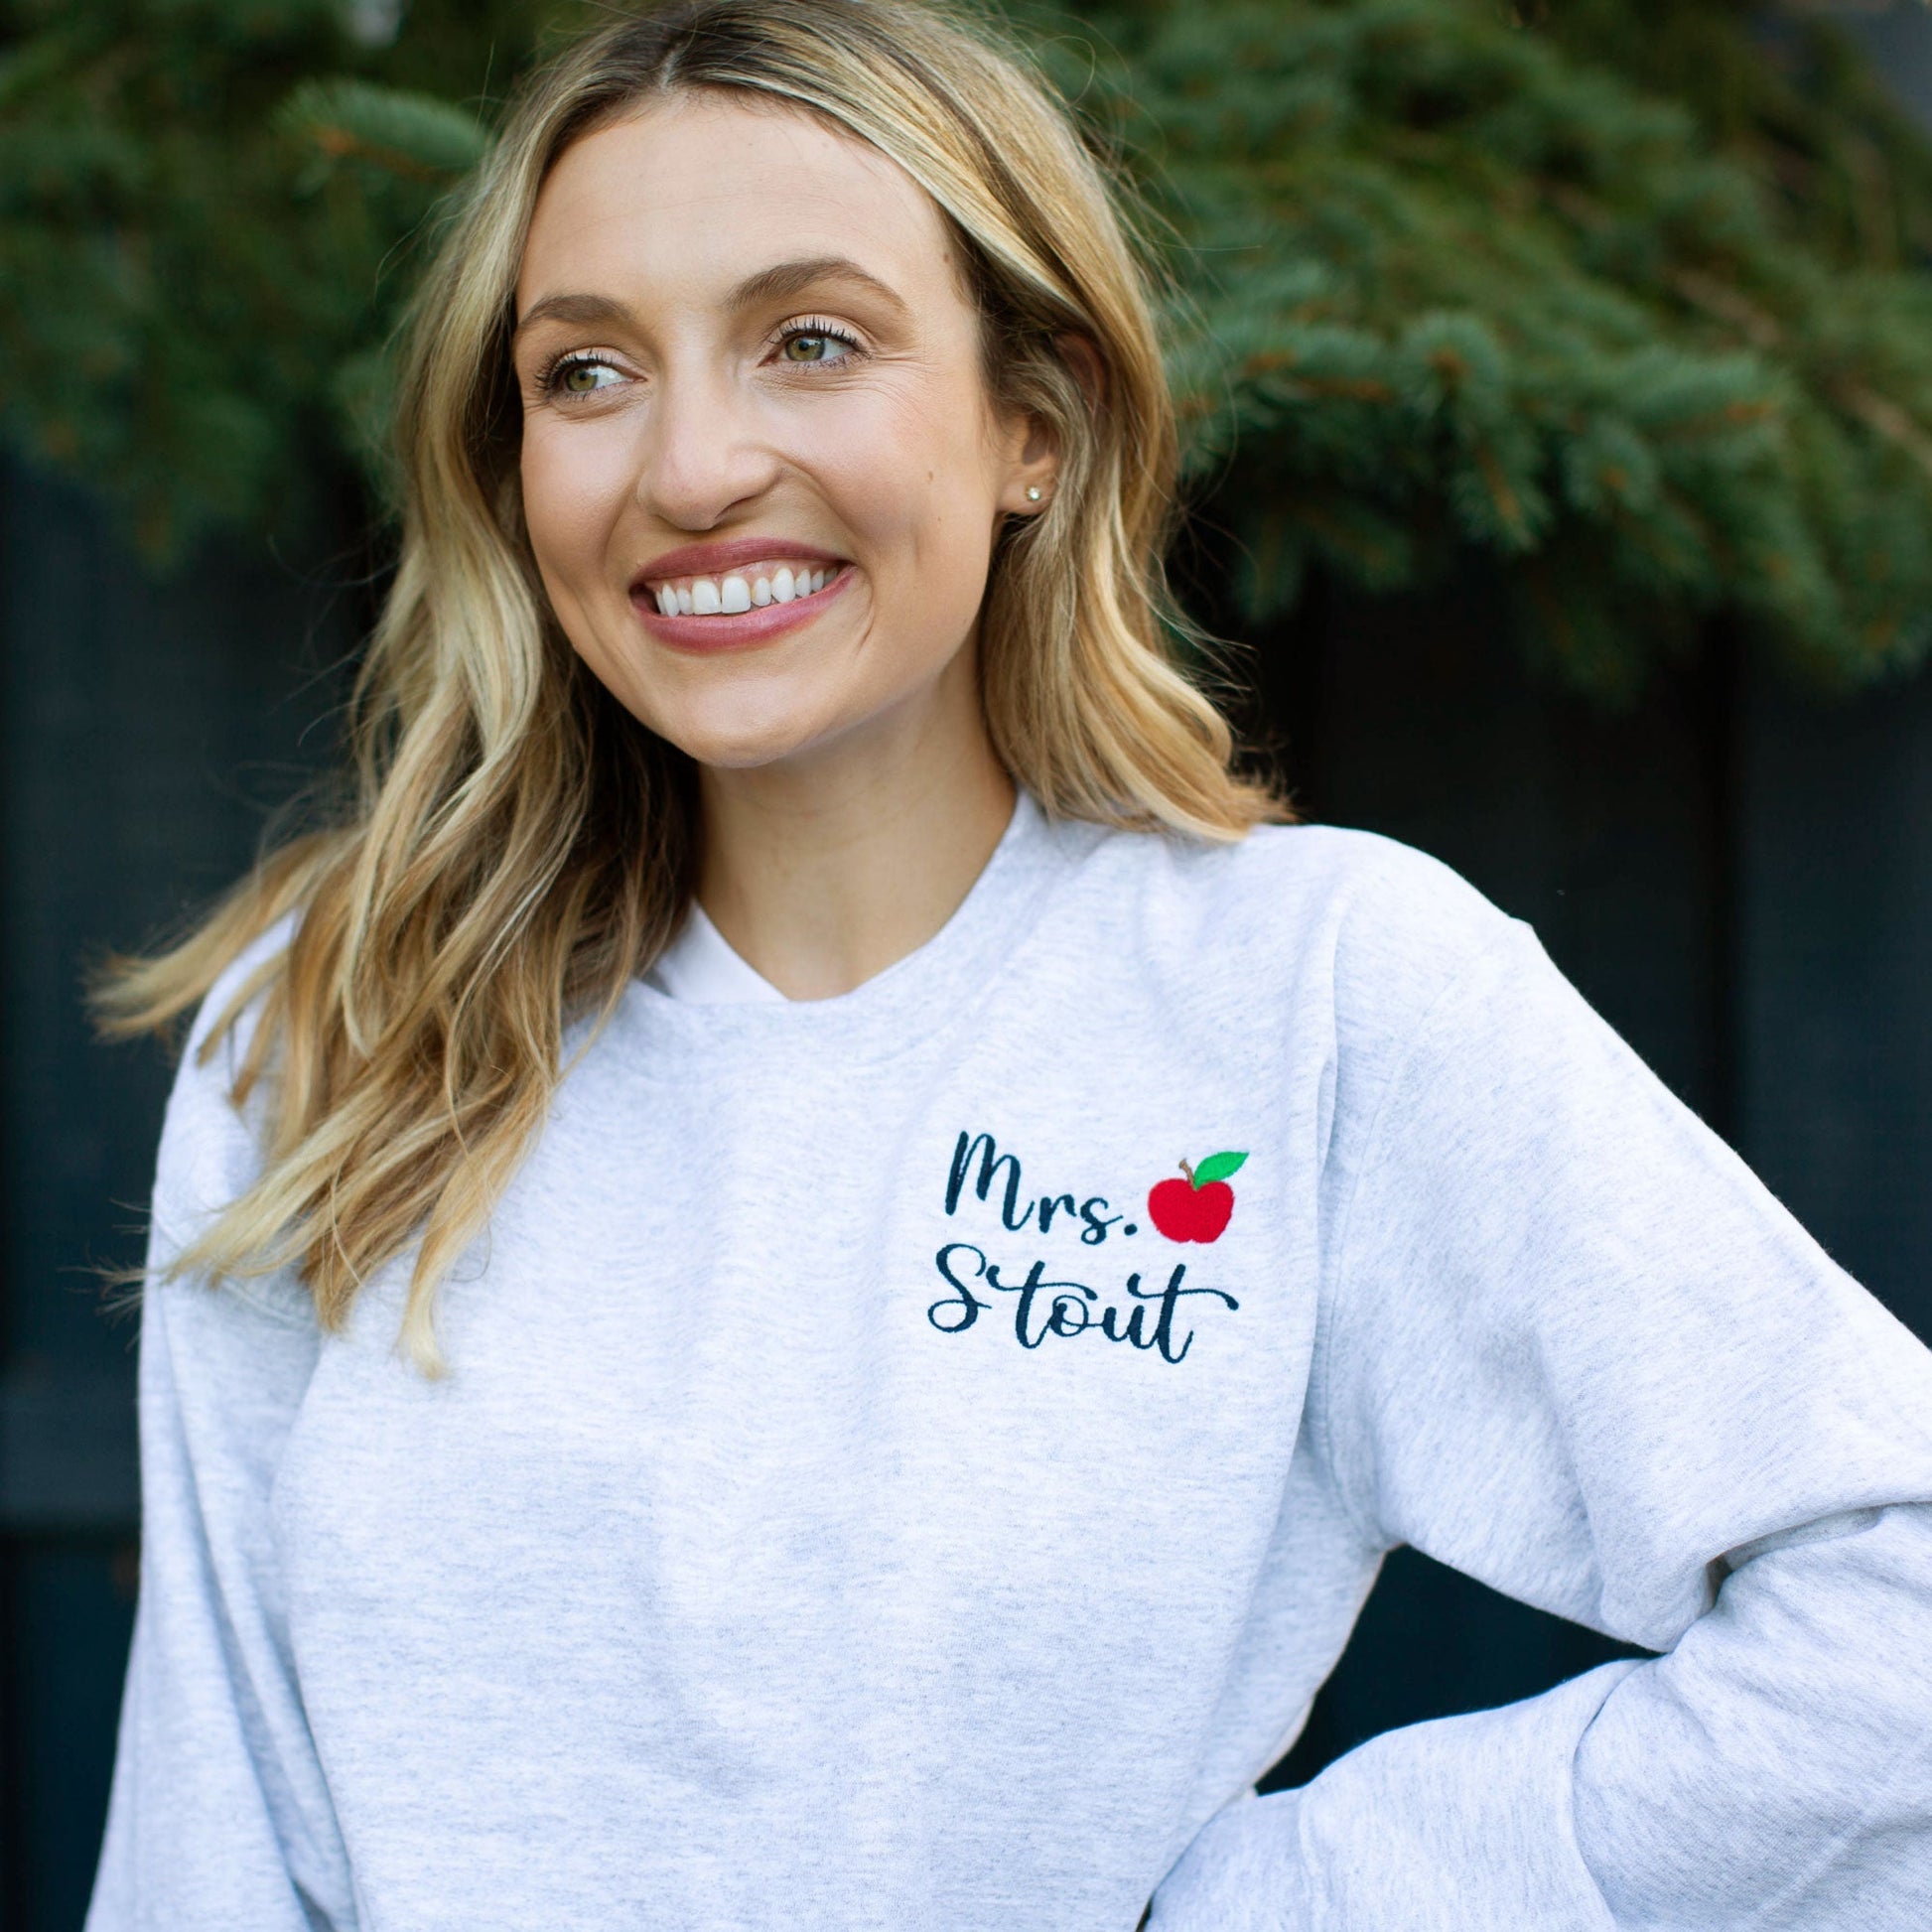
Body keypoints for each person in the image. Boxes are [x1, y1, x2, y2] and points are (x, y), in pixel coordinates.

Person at [84, 2, 1932, 1926]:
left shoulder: (1313, 995)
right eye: (588, 371)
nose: (692, 463)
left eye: (810, 340)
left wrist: (1300, 1902)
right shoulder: (344, 1017)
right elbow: (211, 1835)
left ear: (1031, 422)